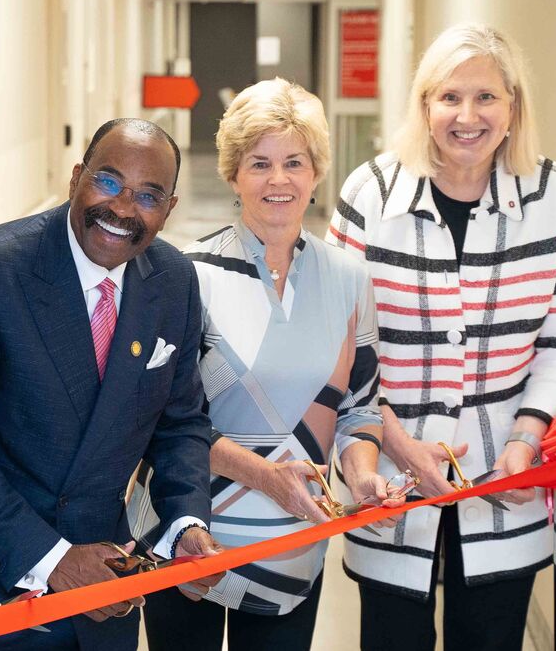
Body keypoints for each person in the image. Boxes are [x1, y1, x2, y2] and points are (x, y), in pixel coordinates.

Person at [329, 23, 556, 651]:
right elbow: (341, 351)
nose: (466, 116)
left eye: (486, 98)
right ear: (424, 105)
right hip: (389, 473)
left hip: (507, 474)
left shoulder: (555, 196)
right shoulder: (370, 194)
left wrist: (528, 439)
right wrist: (394, 443)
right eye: (449, 97)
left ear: (514, 107)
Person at [0, 118, 225, 650]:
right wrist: (54, 559)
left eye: (148, 196)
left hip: (107, 595)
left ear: (170, 208)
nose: (124, 209)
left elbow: (179, 424)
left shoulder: (173, 281)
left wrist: (186, 525)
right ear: (76, 177)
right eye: (108, 182)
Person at [134, 79, 401, 651]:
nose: (278, 180)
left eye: (294, 162)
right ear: (233, 174)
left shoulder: (349, 280)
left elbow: (358, 408)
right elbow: (160, 419)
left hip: (293, 544)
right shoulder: (187, 274)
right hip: (189, 533)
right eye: (260, 163)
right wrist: (264, 476)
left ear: (316, 171)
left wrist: (363, 478)